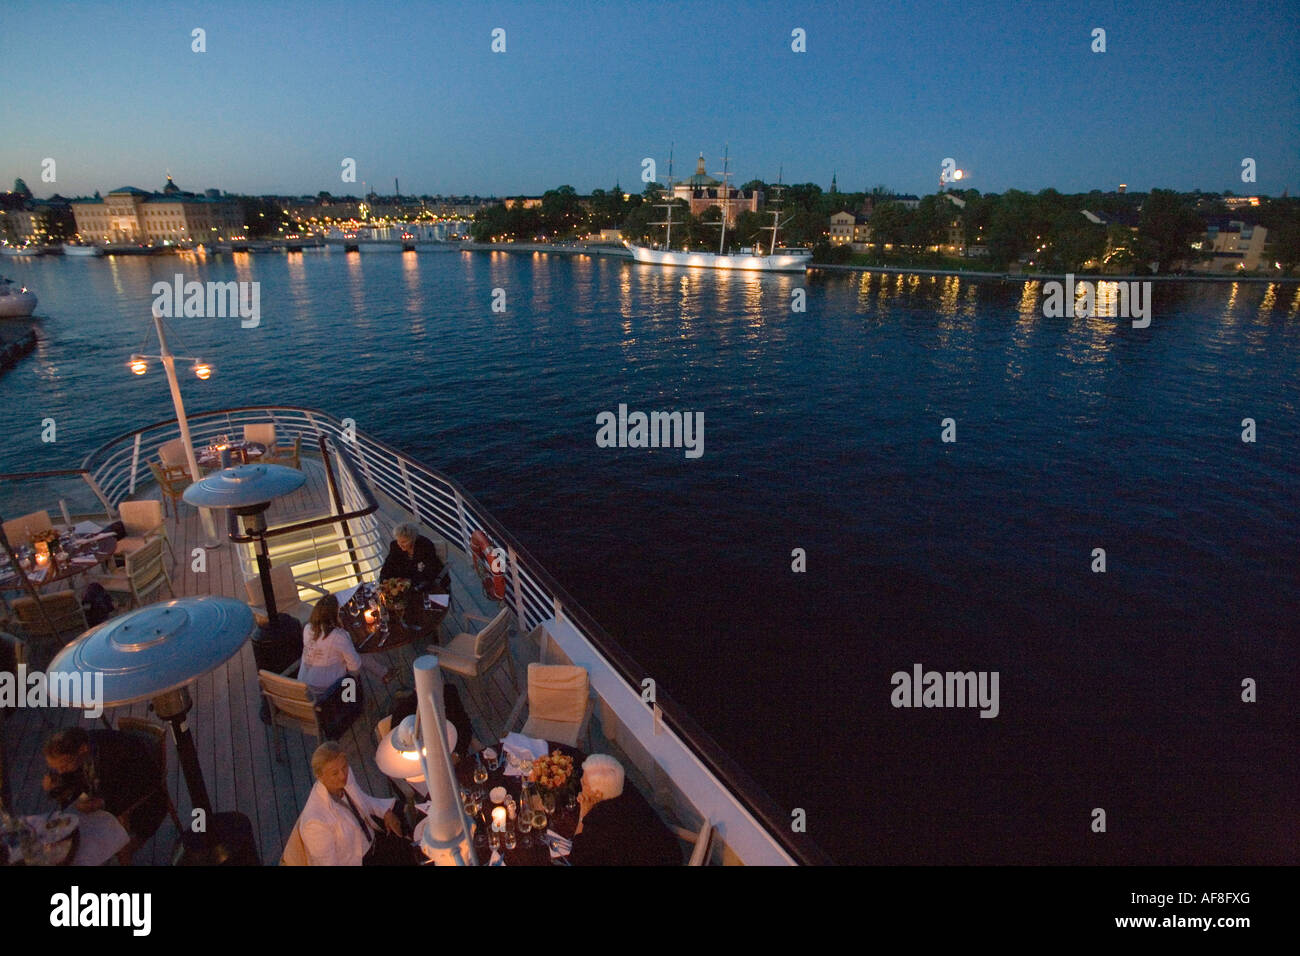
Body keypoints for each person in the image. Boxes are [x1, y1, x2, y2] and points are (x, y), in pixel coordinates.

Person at [43, 727, 167, 864]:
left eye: (64, 766)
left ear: (83, 749)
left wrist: (102, 803)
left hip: (140, 804)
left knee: (85, 843)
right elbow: (73, 780)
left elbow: (144, 784)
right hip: (101, 796)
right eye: (56, 768)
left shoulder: (116, 752)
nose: (60, 772)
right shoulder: (81, 752)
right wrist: (56, 787)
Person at [298, 742, 416, 866]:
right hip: (359, 861)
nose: (343, 775)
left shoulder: (344, 777)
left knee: (413, 851)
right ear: (320, 776)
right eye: (334, 773)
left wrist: (385, 812)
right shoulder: (315, 823)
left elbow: (362, 800)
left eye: (344, 767)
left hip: (375, 843)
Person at [568, 753, 682, 866]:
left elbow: (575, 859)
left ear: (597, 793)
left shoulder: (601, 819)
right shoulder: (626, 790)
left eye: (584, 783)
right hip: (670, 854)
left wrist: (584, 812)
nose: (581, 784)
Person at [299, 594, 388, 697]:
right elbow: (355, 669)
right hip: (327, 691)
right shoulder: (338, 636)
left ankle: (383, 673)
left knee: (355, 656)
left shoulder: (308, 628)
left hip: (303, 686)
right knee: (357, 658)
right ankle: (383, 674)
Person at [380, 522, 447, 591]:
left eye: (404, 542)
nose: (400, 545)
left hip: (423, 582)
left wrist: (409, 583)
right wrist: (383, 579)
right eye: (398, 541)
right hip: (403, 582)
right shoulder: (395, 546)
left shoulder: (425, 546)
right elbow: (388, 565)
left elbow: (430, 571)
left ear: (413, 539)